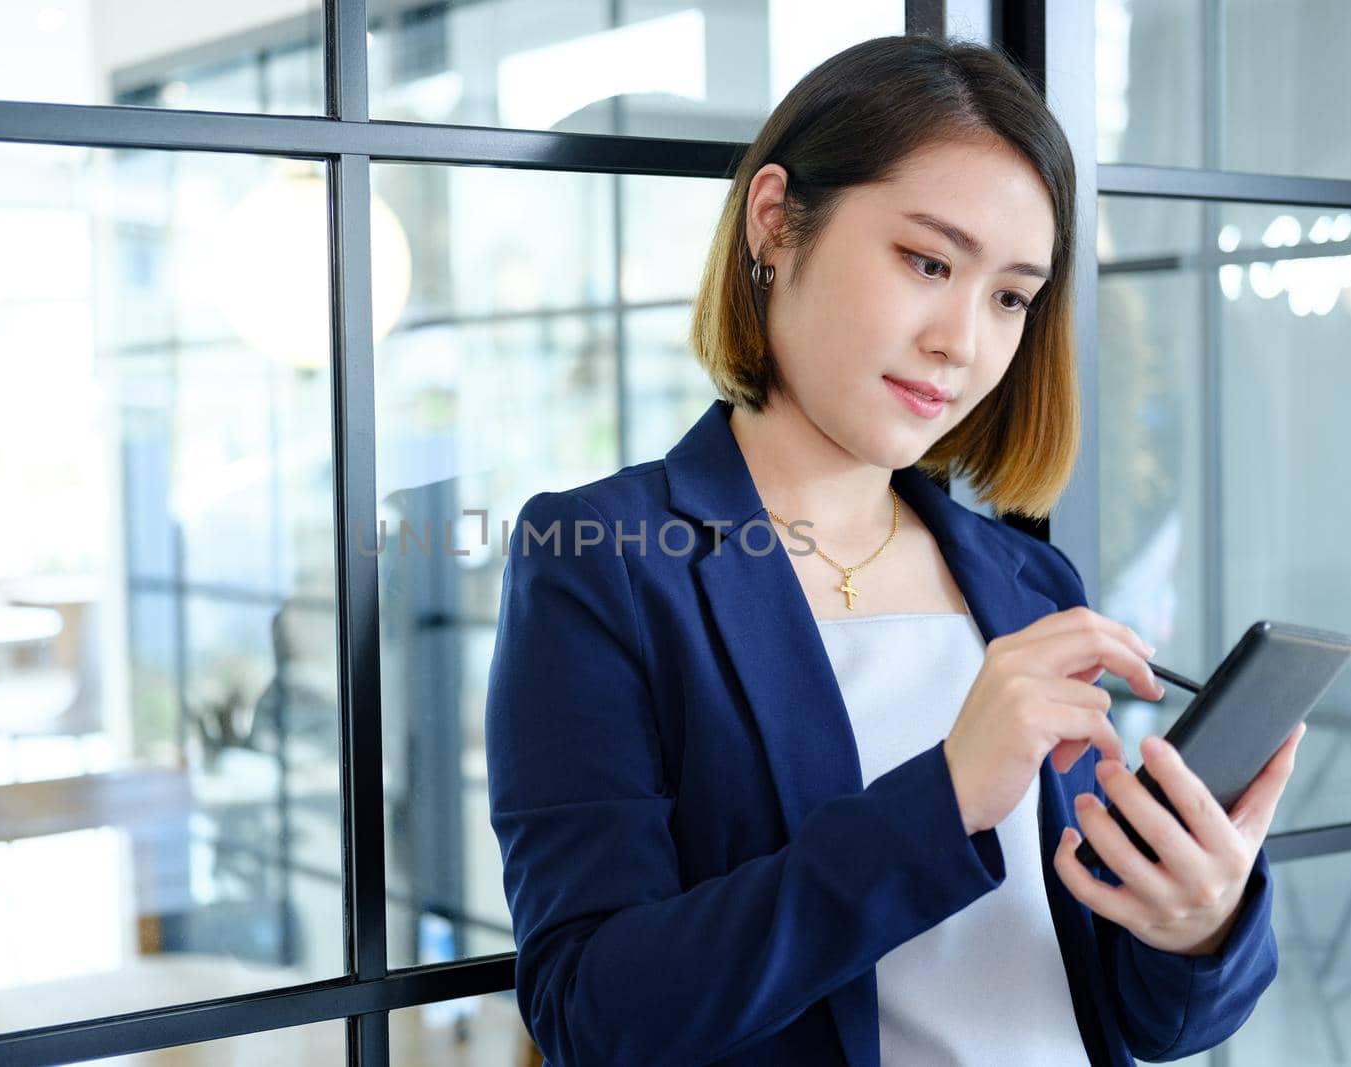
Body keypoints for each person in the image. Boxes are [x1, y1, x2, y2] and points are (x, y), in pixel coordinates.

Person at [484, 34, 1301, 1067]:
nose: (962, 339)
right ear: (776, 220)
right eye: (926, 261)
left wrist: (1197, 922)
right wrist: (946, 794)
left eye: (1010, 295)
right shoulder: (603, 560)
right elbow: (593, 1010)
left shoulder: (1027, 582)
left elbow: (1140, 1016)